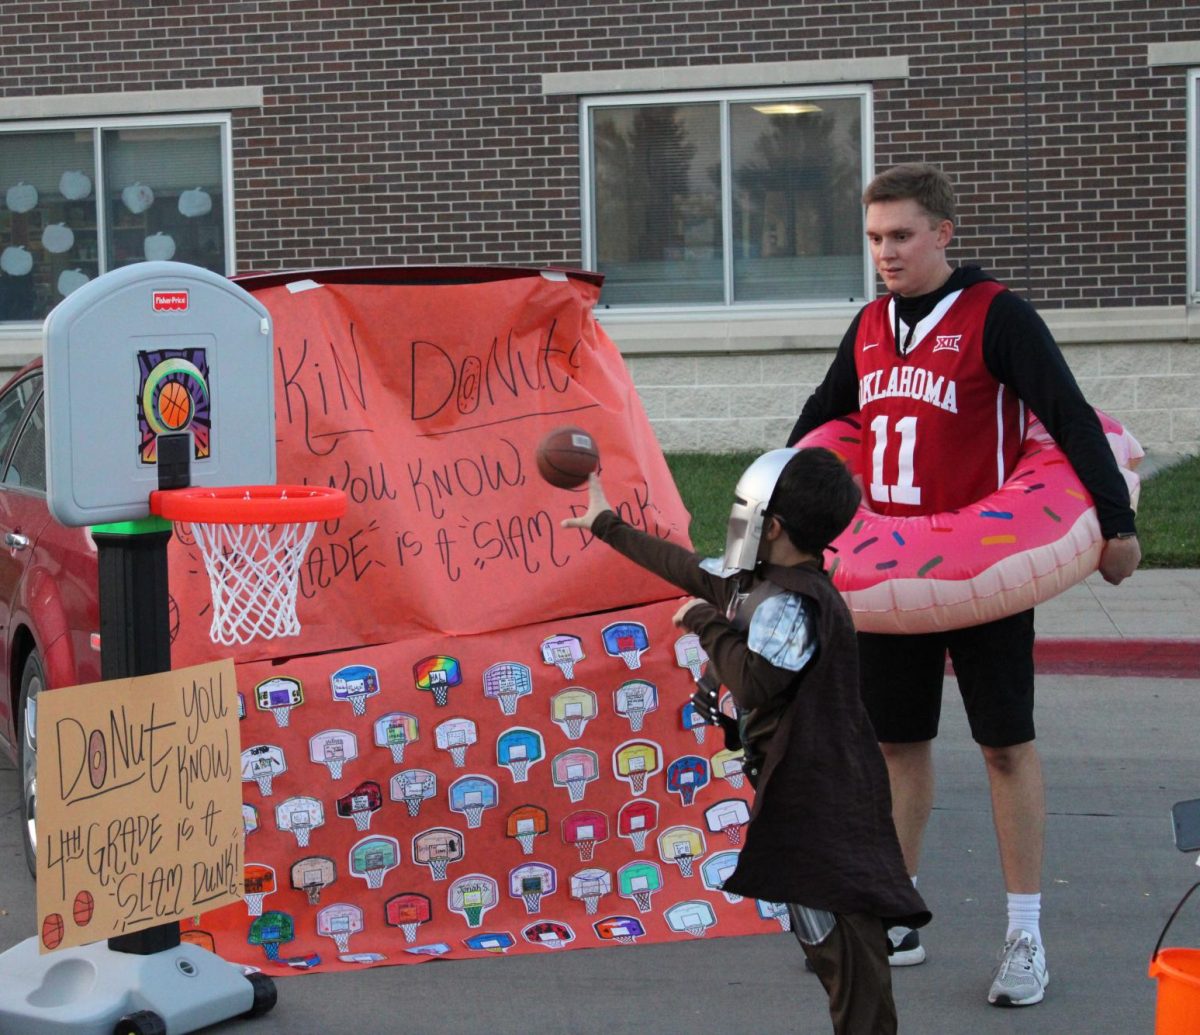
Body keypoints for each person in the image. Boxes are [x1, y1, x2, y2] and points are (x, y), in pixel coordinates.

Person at [786, 162, 1141, 1007]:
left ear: (944, 233)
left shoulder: (999, 316)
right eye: (874, 238)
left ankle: (1024, 931)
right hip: (889, 571)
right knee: (897, 746)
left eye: (902, 235)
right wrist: (777, 506)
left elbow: (1066, 410)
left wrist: (1118, 524)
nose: (886, 253)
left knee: (1004, 745)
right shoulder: (871, 324)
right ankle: (898, 909)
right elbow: (822, 416)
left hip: (983, 570)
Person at [564, 447, 930, 1035]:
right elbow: (685, 567)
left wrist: (703, 622)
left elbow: (757, 681)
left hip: (825, 797)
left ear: (772, 525)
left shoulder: (796, 603)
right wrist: (606, 525)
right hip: (796, 792)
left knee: (847, 947)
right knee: (821, 934)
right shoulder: (757, 583)